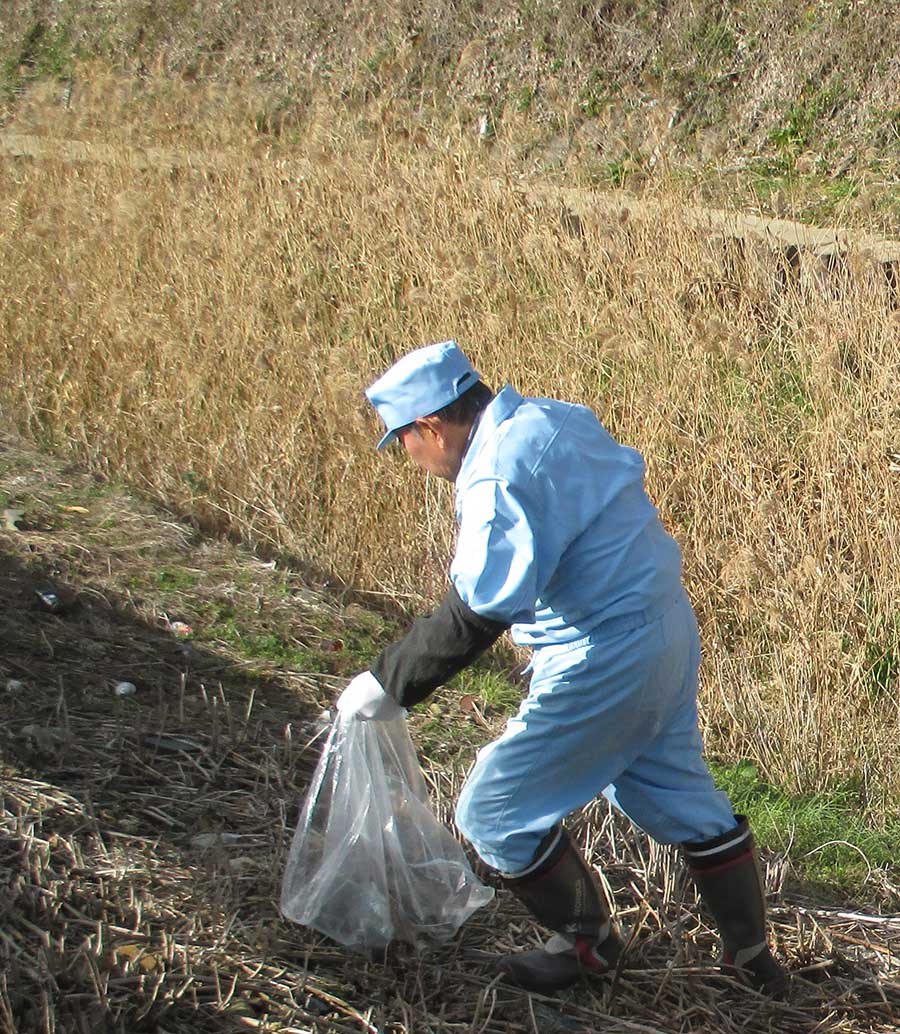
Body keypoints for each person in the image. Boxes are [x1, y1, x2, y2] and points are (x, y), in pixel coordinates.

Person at [337, 340, 787, 996]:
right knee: (677, 794)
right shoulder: (551, 418)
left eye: (402, 440)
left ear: (430, 426)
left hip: (604, 653)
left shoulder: (499, 472)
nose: (408, 458)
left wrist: (387, 685)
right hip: (662, 628)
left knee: (494, 811)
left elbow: (477, 613)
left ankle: (588, 946)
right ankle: (754, 959)